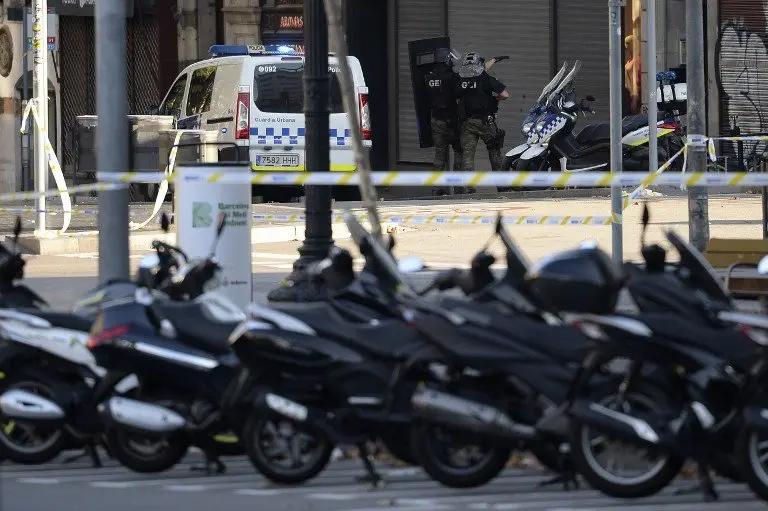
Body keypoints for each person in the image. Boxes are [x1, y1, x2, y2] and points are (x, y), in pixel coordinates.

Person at [456, 52, 510, 175]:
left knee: (468, 156)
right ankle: (502, 187)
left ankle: (469, 189)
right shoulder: (485, 78)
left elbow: (457, 97)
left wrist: (494, 60)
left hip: (467, 122)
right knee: (494, 152)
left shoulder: (459, 79)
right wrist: (495, 99)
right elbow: (505, 95)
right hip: (485, 121)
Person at [424, 49, 463, 173]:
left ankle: (436, 188)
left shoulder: (428, 76)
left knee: (439, 155)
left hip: (436, 120)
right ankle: (458, 188)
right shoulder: (452, 77)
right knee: (459, 152)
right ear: (446, 60)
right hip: (451, 121)